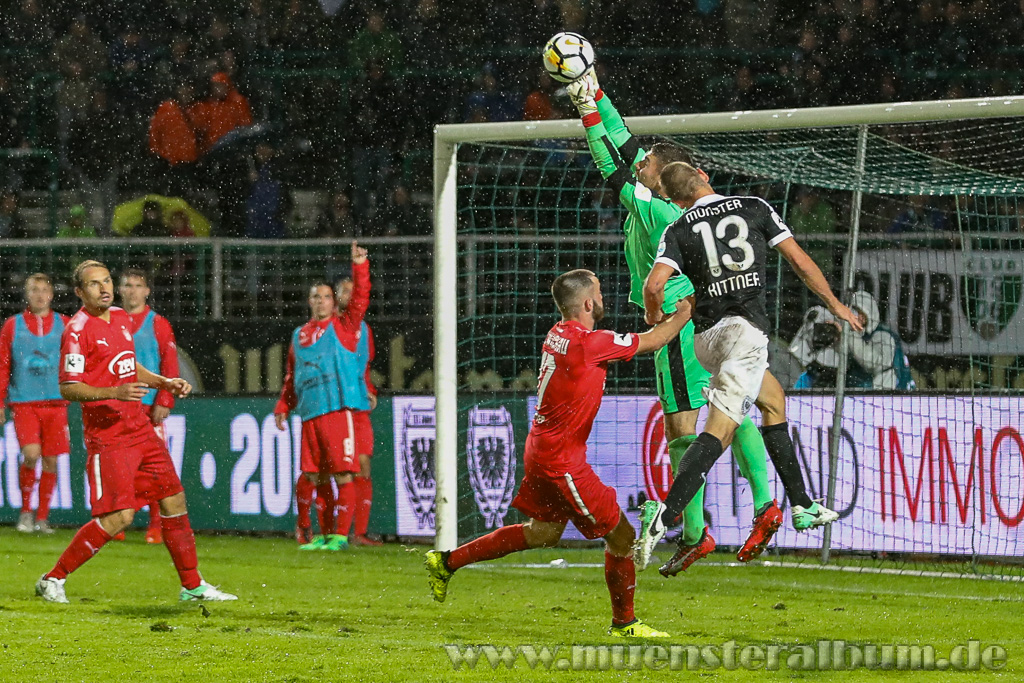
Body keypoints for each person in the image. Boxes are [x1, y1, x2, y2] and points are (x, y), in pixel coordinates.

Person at [565, 69, 780, 573]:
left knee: (692, 424)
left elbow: (608, 161)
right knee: (711, 416)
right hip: (712, 315)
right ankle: (706, 529)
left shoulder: (652, 206)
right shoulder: (670, 198)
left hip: (680, 322)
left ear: (660, 175)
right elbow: (626, 141)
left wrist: (585, 110)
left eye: (646, 163)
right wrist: (594, 85)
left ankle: (740, 514)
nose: (638, 162)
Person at [425, 269, 690, 637]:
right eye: (598, 292)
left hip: (542, 448)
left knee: (542, 534)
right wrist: (686, 311)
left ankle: (446, 562)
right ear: (586, 303)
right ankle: (625, 623)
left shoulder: (558, 334)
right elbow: (655, 339)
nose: (603, 298)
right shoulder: (589, 342)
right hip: (562, 460)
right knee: (622, 537)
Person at [634, 162, 863, 571]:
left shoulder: (677, 229)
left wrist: (653, 315)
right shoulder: (753, 206)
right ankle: (664, 519)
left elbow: (654, 285)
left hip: (706, 339)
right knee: (718, 434)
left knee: (773, 401)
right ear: (703, 174)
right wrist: (835, 304)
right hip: (744, 333)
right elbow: (801, 262)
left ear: (673, 199)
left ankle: (802, 504)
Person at [35, 260, 236, 604]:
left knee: (173, 499)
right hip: (109, 436)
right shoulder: (77, 330)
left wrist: (162, 381)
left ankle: (192, 586)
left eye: (107, 281)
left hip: (140, 429)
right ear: (79, 292)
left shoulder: (121, 318)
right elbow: (69, 387)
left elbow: (129, 364)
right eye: (94, 284)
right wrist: (114, 392)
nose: (104, 288)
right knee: (119, 517)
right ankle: (52, 578)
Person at [274, 242, 370, 551]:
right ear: (309, 301)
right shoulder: (299, 334)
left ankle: (340, 536)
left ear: (333, 302)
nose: (322, 301)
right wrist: (283, 404)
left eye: (327, 296)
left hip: (337, 410)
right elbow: (293, 374)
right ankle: (308, 532)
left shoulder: (344, 325)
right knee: (310, 476)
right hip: (310, 413)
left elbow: (359, 299)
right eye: (316, 296)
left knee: (344, 473)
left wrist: (359, 266)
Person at [0, 274, 70, 534]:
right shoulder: (12, 326)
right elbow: (3, 365)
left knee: (51, 462)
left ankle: (42, 517)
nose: (40, 295)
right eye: (34, 290)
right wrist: (0, 402)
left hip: (56, 402)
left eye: (44, 290)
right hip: (24, 402)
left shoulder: (65, 324)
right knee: (31, 455)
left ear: (51, 295)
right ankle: (26, 512)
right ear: (26, 295)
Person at [119, 268, 181, 544]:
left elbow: (169, 362)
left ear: (147, 292)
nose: (132, 290)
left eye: (137, 285)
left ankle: (156, 524)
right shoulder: (111, 321)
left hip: (146, 405)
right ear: (120, 290)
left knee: (155, 467)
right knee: (120, 466)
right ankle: (116, 520)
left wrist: (165, 399)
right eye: (127, 285)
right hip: (119, 404)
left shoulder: (158, 323)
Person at [332, 275, 381, 546]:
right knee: (336, 470)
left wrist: (370, 389)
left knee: (363, 466)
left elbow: (364, 366)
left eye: (354, 291)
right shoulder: (330, 328)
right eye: (344, 291)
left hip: (360, 406)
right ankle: (332, 529)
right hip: (337, 407)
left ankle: (359, 533)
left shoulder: (364, 329)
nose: (349, 296)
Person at [847, 291, 915, 391]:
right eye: (855, 313)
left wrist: (849, 334)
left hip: (892, 395)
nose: (858, 318)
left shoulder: (883, 335)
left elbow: (872, 363)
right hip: (872, 394)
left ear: (869, 313)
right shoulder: (861, 335)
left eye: (862, 314)